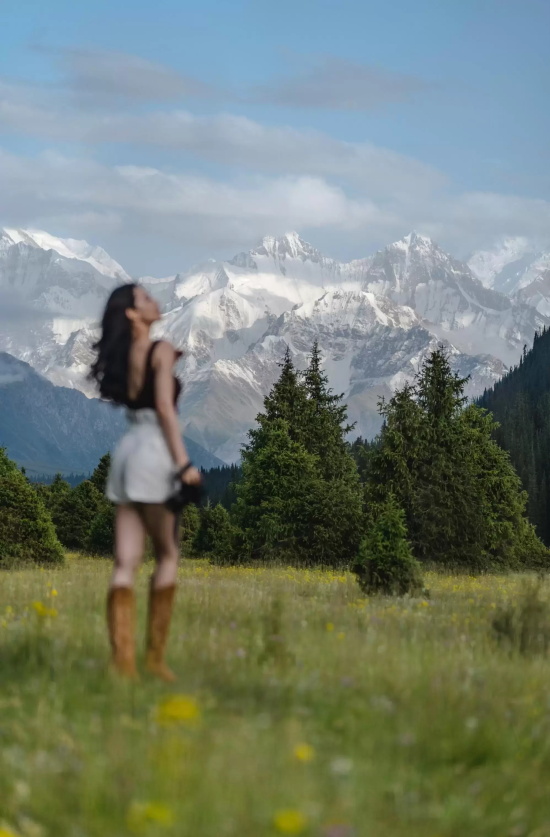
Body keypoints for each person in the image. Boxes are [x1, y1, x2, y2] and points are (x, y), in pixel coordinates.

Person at [89, 283, 202, 681]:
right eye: (145, 298)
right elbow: (166, 414)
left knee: (125, 563)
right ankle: (154, 659)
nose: (155, 299)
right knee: (168, 555)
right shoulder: (159, 350)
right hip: (155, 454)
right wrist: (184, 464)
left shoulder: (122, 356)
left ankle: (122, 664)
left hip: (126, 453)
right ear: (134, 314)